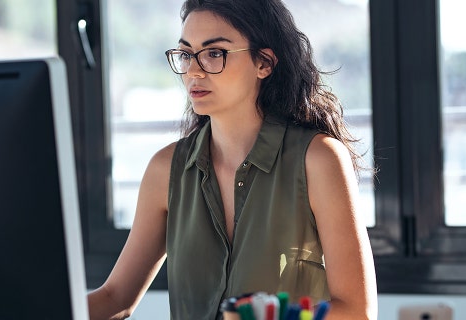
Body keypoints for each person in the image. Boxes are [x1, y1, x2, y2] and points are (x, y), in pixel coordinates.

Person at [87, 0, 378, 319]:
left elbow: (357, 311)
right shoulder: (165, 169)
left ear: (264, 63)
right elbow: (116, 297)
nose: (194, 71)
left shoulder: (319, 159)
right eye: (186, 54)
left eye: (214, 53)